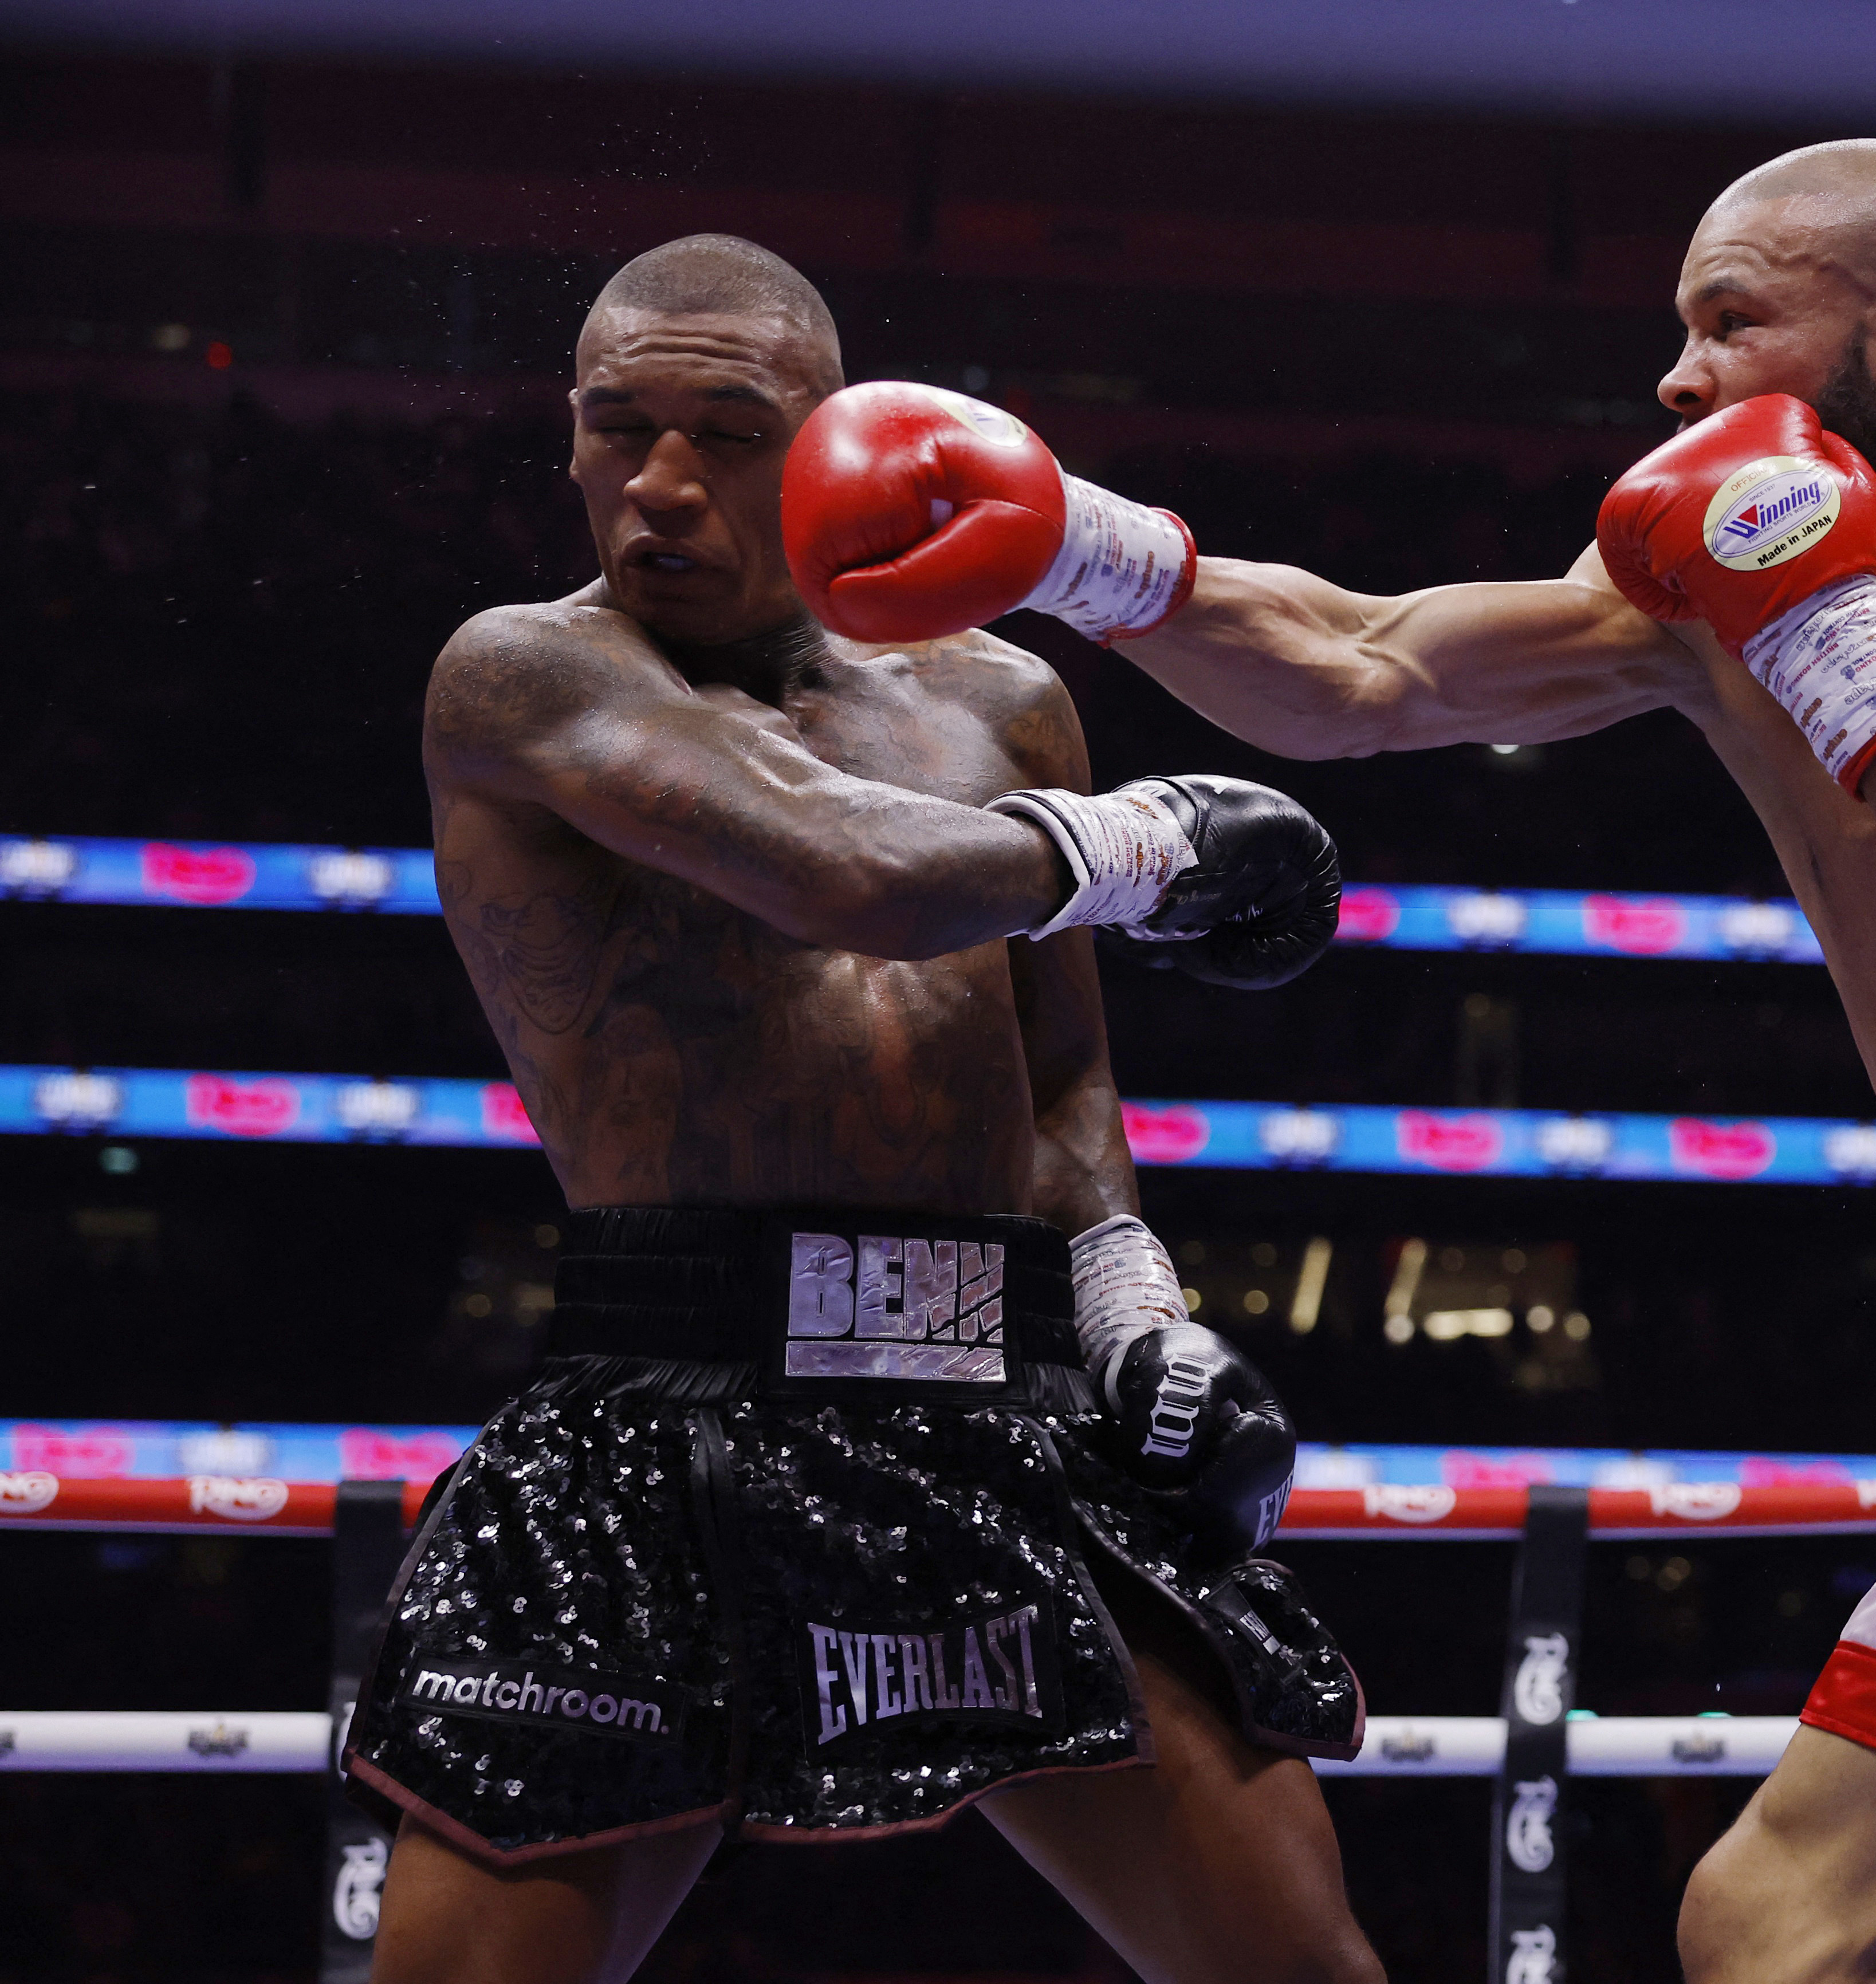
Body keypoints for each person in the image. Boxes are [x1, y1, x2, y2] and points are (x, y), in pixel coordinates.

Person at [787, 141, 1876, 1982]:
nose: (1676, 379)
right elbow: (1370, 666)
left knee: (1775, 1923)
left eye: (1730, 322)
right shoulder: (1708, 608)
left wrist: (1828, 640)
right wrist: (1080, 542)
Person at [345, 233, 1382, 1984]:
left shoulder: (1004, 698)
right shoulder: (523, 673)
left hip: (998, 1395)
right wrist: (1153, 845)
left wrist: (1131, 1304)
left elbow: (1056, 1069)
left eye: (727, 434)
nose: (656, 486)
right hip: (670, 1396)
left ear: (831, 440)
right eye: (616, 428)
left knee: (1297, 1964)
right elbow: (843, 872)